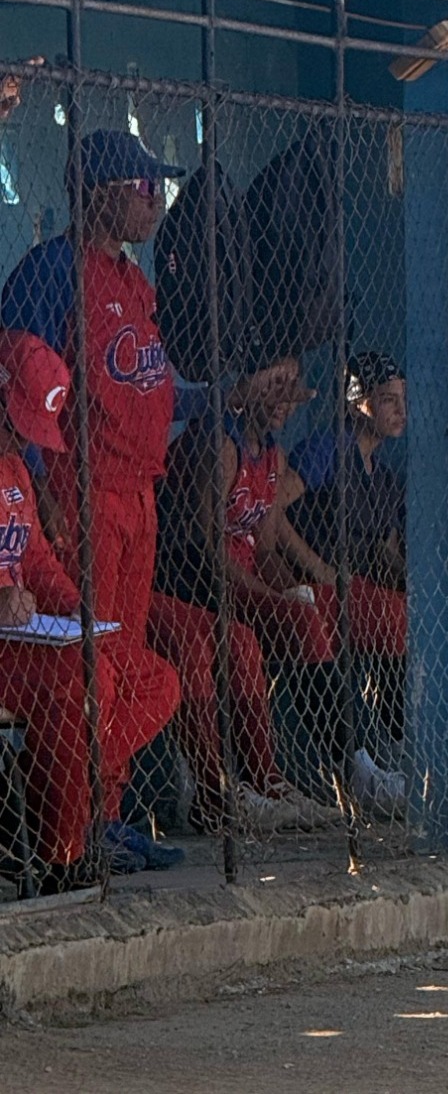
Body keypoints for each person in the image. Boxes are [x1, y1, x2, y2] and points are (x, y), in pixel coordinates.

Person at [1, 129, 189, 872]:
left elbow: (149, 384)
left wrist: (220, 400)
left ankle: (102, 811)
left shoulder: (133, 278)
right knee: (91, 661)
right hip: (83, 494)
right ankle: (67, 819)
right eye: (143, 189)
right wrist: (42, 496)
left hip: (141, 489)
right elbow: (29, 391)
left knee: (126, 652)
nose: (155, 203)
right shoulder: (52, 271)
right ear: (102, 193)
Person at [0, 330, 181, 894]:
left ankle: (35, 799)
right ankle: (60, 852)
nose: (20, 437)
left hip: (26, 641)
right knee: (88, 679)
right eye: (16, 422)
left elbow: (39, 562)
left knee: (155, 679)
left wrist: (76, 610)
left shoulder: (15, 470)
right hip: (9, 649)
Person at [152, 351, 342, 834]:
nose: (286, 399)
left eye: (293, 386)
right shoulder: (222, 445)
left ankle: (283, 779)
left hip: (240, 582)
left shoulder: (272, 455)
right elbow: (203, 547)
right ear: (249, 383)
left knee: (309, 614)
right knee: (242, 640)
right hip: (190, 580)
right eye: (276, 384)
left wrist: (294, 589)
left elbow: (269, 546)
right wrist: (270, 599)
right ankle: (223, 790)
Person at [288, 351, 409, 786]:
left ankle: (402, 747)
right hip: (305, 585)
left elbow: (386, 551)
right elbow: (271, 511)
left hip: (352, 590)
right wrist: (316, 566)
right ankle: (363, 766)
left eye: (402, 399)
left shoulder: (384, 476)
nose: (400, 410)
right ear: (358, 402)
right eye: (388, 399)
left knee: (404, 610)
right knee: (391, 616)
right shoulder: (326, 448)